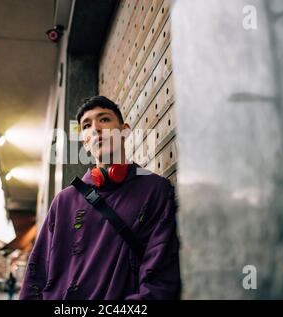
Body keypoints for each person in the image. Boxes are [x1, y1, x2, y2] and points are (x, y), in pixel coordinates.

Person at [19, 96, 181, 300]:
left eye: (104, 119)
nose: (95, 128)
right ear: (84, 143)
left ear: (125, 130)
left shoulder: (155, 190)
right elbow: (37, 275)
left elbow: (160, 278)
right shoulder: (64, 201)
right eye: (86, 125)